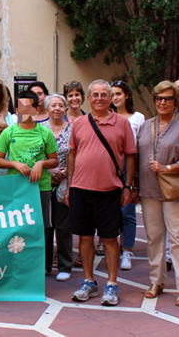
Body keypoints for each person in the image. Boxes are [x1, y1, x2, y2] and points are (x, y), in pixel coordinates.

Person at [66, 80, 137, 307]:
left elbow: (131, 156)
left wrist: (128, 186)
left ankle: (112, 283)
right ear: (89, 98)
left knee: (110, 238)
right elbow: (72, 155)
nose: (99, 98)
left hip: (109, 190)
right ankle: (89, 281)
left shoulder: (123, 123)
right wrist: (69, 186)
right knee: (85, 238)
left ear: (110, 98)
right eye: (94, 94)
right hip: (80, 189)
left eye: (104, 95)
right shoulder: (78, 123)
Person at [136, 81, 179, 307]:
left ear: (175, 102)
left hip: (176, 191)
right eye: (159, 98)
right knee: (154, 238)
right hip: (149, 191)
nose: (163, 102)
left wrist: (168, 168)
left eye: (168, 99)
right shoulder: (145, 126)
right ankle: (157, 282)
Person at [0, 90, 59, 274]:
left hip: (41, 187)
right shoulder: (9, 132)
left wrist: (41, 163)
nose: (23, 110)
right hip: (17, 189)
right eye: (20, 107)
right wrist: (14, 163)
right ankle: (19, 266)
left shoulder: (44, 133)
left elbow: (54, 160)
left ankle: (44, 268)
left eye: (28, 106)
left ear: (36, 109)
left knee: (42, 227)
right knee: (18, 227)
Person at [111, 80, 145, 271]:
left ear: (127, 95)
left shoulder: (138, 118)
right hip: (110, 166)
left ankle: (127, 250)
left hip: (129, 165)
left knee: (128, 211)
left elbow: (140, 149)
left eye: (118, 94)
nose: (115, 98)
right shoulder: (106, 116)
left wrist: (136, 180)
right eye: (113, 94)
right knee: (110, 210)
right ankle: (111, 247)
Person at [42, 94, 73, 282]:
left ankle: (65, 265)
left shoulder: (73, 129)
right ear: (47, 109)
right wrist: (51, 170)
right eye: (53, 105)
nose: (57, 108)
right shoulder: (40, 130)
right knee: (45, 224)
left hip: (66, 180)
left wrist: (66, 171)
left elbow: (77, 153)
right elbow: (35, 153)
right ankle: (45, 265)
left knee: (64, 225)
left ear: (66, 109)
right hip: (44, 179)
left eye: (61, 105)